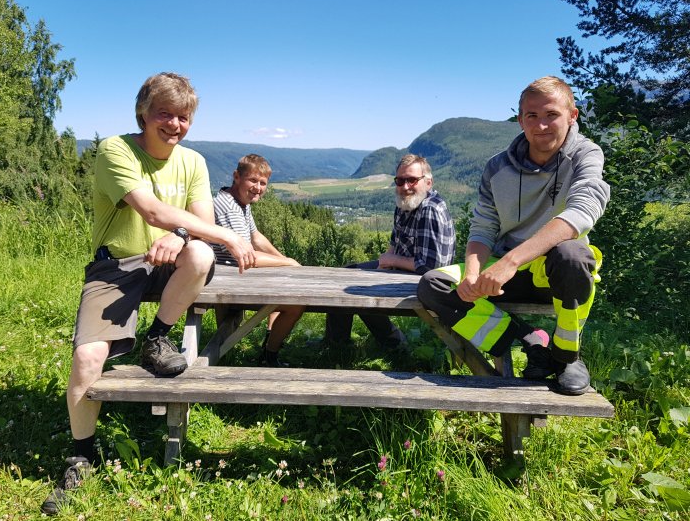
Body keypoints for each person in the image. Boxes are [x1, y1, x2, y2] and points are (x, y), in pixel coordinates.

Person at [41, 72, 256, 515]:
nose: (174, 124)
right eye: (165, 114)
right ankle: (81, 453)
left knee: (198, 254)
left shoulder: (193, 162)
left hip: (169, 263)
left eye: (183, 117)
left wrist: (180, 235)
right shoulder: (115, 150)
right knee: (86, 359)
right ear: (143, 113)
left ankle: (157, 337)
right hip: (116, 264)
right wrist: (229, 237)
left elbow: (191, 221)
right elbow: (151, 209)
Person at [417, 76, 610, 396]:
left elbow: (581, 213)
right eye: (532, 116)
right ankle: (530, 340)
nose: (542, 125)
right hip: (505, 273)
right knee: (433, 284)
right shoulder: (497, 167)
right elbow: (483, 228)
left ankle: (566, 357)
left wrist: (511, 260)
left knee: (573, 253)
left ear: (572, 116)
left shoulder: (586, 155)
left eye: (552, 115)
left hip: (555, 276)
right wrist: (475, 273)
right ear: (521, 120)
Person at [325, 154, 455, 351]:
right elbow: (395, 243)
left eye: (412, 180)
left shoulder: (430, 210)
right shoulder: (405, 204)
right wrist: (381, 266)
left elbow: (432, 266)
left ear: (428, 182)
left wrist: (391, 260)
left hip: (430, 282)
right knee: (347, 274)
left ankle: (382, 342)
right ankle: (342, 343)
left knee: (360, 287)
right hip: (404, 270)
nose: (405, 186)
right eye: (400, 180)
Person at [212, 154, 305, 367]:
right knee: (295, 303)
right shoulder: (228, 206)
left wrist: (284, 259)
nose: (258, 187)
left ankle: (269, 344)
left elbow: (256, 238)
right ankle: (269, 355)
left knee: (287, 284)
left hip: (237, 274)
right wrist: (288, 262)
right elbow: (247, 256)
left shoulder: (240, 202)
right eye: (253, 180)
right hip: (228, 279)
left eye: (263, 183)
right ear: (237, 177)